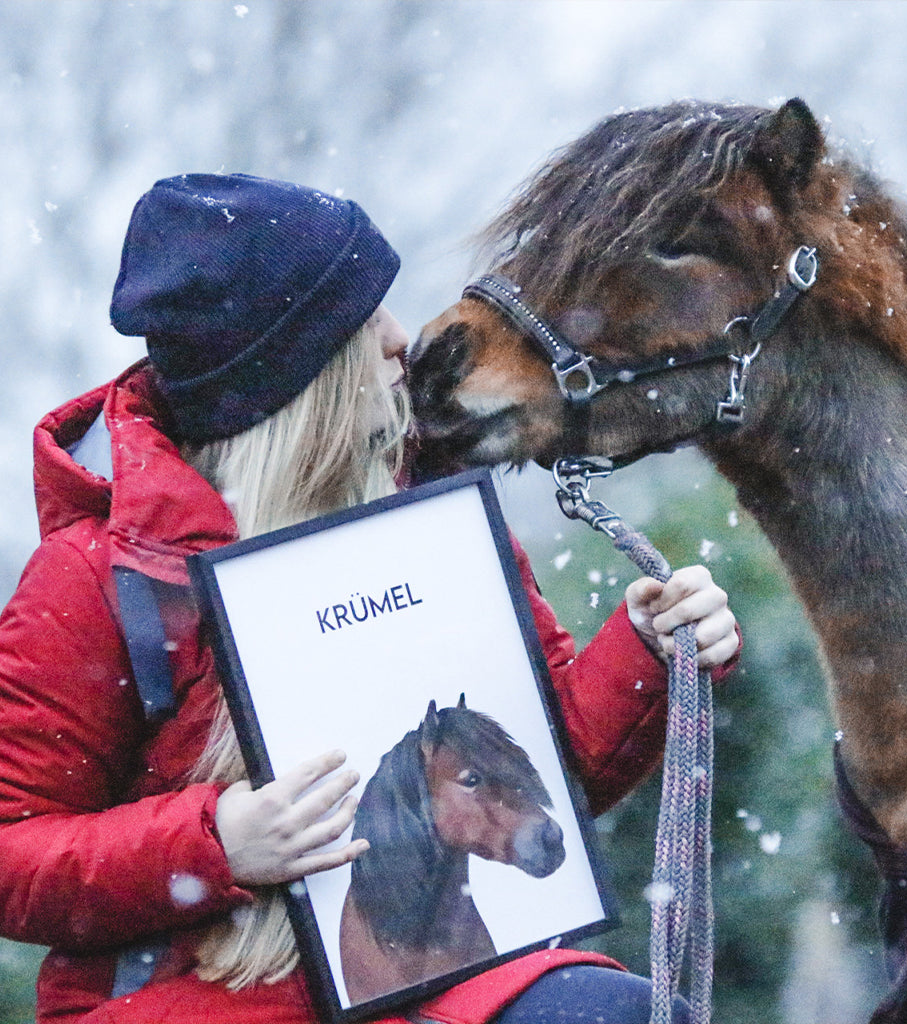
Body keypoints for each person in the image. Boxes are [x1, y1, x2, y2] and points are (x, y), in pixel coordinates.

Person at [0, 173, 739, 1024]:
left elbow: (531, 778)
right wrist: (215, 844)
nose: (401, 340)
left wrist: (651, 652)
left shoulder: (432, 517)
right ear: (294, 373)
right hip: (201, 1002)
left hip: (440, 973)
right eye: (364, 321)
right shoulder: (100, 578)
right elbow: (15, 856)